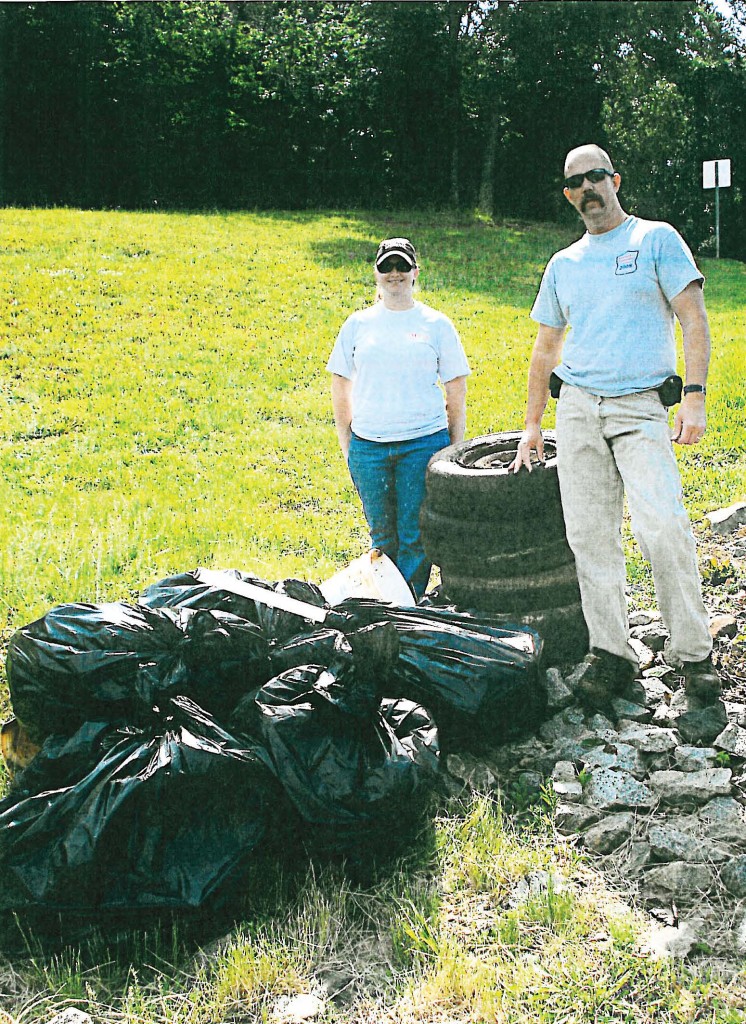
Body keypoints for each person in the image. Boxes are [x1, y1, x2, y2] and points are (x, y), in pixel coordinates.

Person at [510, 144, 718, 709]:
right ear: (568, 195)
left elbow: (693, 318)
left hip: (640, 407)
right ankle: (612, 654)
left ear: (616, 180)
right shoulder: (564, 264)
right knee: (589, 538)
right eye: (576, 183)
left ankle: (696, 660)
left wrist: (693, 396)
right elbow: (545, 347)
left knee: (664, 528)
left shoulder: (655, 239)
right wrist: (533, 424)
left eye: (596, 177)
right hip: (577, 408)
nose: (588, 190)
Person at [327, 237, 470, 600]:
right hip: (369, 446)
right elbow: (340, 383)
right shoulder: (358, 325)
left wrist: (452, 449)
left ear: (415, 273)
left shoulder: (436, 324)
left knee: (414, 534)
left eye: (402, 267)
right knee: (383, 535)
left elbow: (456, 388)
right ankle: (386, 604)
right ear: (376, 274)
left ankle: (407, 608)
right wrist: (349, 444)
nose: (395, 274)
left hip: (422, 443)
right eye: (387, 267)